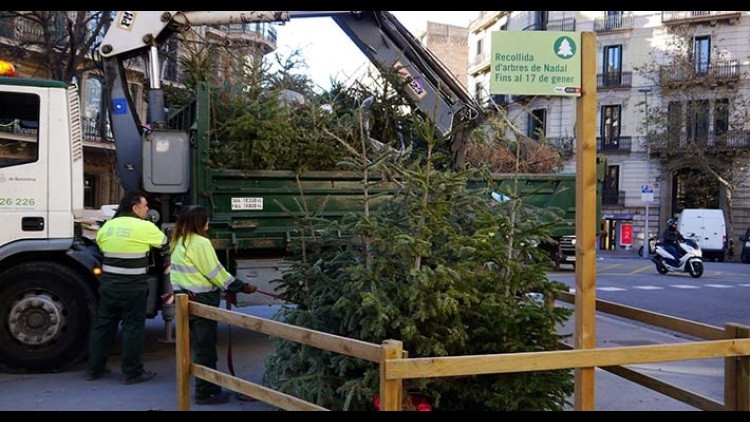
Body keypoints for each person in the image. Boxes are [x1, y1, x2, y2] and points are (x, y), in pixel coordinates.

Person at [169, 205, 258, 405]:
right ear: (200, 223)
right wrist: (241, 286)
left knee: (199, 346)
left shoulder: (178, 241)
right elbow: (215, 272)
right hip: (202, 302)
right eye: (206, 219)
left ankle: (206, 388)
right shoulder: (200, 243)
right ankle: (206, 391)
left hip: (185, 300)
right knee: (206, 349)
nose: (208, 223)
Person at [87, 190, 169, 384]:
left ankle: (94, 369)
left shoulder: (108, 226)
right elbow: (165, 244)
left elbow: (100, 245)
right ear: (135, 208)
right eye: (145, 206)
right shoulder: (144, 227)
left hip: (109, 286)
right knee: (132, 328)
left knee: (103, 326)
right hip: (133, 287)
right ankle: (132, 372)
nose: (147, 209)